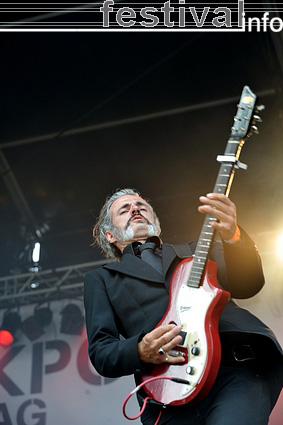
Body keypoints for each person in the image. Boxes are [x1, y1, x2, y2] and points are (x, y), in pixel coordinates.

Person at [84, 188, 283, 425]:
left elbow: (248, 284)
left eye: (142, 206)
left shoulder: (198, 251)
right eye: (124, 210)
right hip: (166, 394)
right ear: (110, 235)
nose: (135, 209)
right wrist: (139, 350)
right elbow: (101, 351)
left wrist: (233, 235)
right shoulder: (103, 279)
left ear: (155, 222)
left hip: (233, 370)